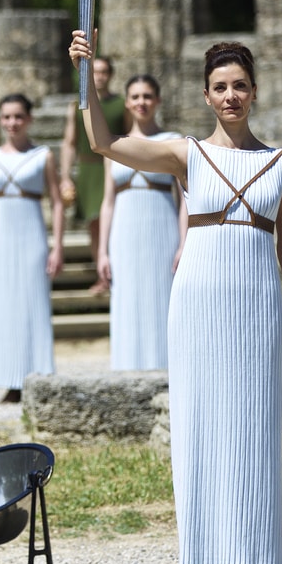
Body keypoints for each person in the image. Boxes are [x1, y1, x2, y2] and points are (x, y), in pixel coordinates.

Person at [69, 30, 282, 564]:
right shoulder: (187, 154)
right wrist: (84, 75)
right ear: (206, 95)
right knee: (198, 426)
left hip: (255, 305)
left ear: (254, 92)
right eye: (220, 87)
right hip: (198, 301)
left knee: (251, 428)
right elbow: (104, 143)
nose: (231, 96)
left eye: (240, 86)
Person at [0, 94, 64, 403]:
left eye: (18, 117)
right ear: (0, 120)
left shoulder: (43, 156)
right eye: (6, 117)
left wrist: (57, 246)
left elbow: (57, 202)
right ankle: (7, 378)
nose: (12, 123)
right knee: (2, 306)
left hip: (31, 236)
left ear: (29, 119)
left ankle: (36, 374)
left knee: (31, 303)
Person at [97, 75, 186, 371]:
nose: (141, 102)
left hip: (162, 226)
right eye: (135, 97)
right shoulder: (115, 145)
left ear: (158, 101)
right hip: (124, 230)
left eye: (147, 96)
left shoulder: (174, 141)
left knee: (161, 296)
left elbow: (185, 198)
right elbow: (108, 202)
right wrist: (102, 251)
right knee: (127, 298)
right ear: (126, 102)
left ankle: (165, 368)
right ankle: (126, 367)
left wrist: (184, 243)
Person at [61, 55, 126, 295]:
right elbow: (69, 142)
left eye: (103, 72)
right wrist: (66, 176)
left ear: (110, 75)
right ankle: (102, 275)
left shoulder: (122, 104)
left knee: (112, 220)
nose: (98, 76)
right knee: (94, 223)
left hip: (113, 165)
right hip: (89, 168)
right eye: (94, 72)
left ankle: (115, 272)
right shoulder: (76, 105)